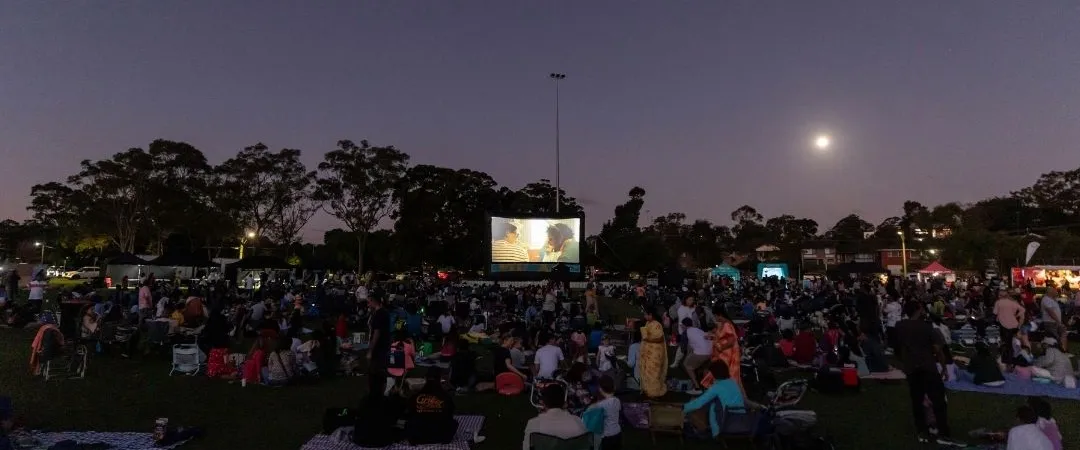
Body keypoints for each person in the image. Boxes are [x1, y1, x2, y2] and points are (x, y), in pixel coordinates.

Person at [895, 301, 959, 446]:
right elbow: (938, 350)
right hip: (927, 367)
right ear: (919, 310)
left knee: (917, 401)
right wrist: (942, 367)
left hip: (912, 368)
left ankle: (922, 431)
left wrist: (904, 364)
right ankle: (943, 432)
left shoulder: (900, 326)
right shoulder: (928, 327)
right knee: (938, 401)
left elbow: (898, 348)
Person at [683, 361, 746, 438]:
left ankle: (709, 431)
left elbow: (698, 403)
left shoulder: (716, 387)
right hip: (741, 422)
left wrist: (683, 408)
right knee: (710, 402)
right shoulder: (733, 383)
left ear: (713, 373)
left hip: (725, 423)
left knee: (698, 407)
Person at [521, 384, 587, 450]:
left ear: (543, 404)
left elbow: (526, 448)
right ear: (565, 403)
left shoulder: (533, 424)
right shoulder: (577, 422)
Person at [404, 367, 457, 445]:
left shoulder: (415, 396)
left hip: (418, 436)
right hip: (441, 436)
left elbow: (410, 413)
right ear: (440, 379)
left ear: (425, 379)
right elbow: (450, 413)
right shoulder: (446, 396)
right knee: (453, 423)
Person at [700, 304, 743, 392]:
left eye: (715, 315)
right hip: (723, 354)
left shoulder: (727, 324)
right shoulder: (723, 323)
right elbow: (722, 337)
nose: (714, 318)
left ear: (719, 315)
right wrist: (713, 337)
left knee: (720, 373)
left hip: (726, 354)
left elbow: (731, 340)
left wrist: (720, 346)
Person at [638, 308, 668, 398]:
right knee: (646, 373)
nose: (644, 316)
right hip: (647, 354)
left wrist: (648, 339)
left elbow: (660, 339)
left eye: (646, 314)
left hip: (655, 354)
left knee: (654, 373)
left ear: (650, 314)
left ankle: (654, 393)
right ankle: (647, 391)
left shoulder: (657, 324)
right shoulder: (648, 323)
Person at [588, 375, 622, 450]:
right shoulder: (617, 400)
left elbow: (589, 414)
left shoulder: (600, 405)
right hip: (617, 432)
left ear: (600, 389)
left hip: (606, 436)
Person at [367, 296, 391, 398]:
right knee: (382, 368)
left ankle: (377, 392)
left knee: (376, 370)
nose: (368, 304)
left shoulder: (379, 315)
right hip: (385, 343)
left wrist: (370, 351)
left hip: (379, 345)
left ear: (374, 301)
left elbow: (377, 333)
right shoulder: (384, 312)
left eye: (369, 302)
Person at [682, 318, 712, 394]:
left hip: (701, 353)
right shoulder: (698, 330)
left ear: (683, 325)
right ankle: (706, 386)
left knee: (687, 365)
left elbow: (684, 348)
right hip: (711, 352)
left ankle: (697, 387)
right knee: (705, 367)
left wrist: (688, 357)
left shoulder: (686, 333)